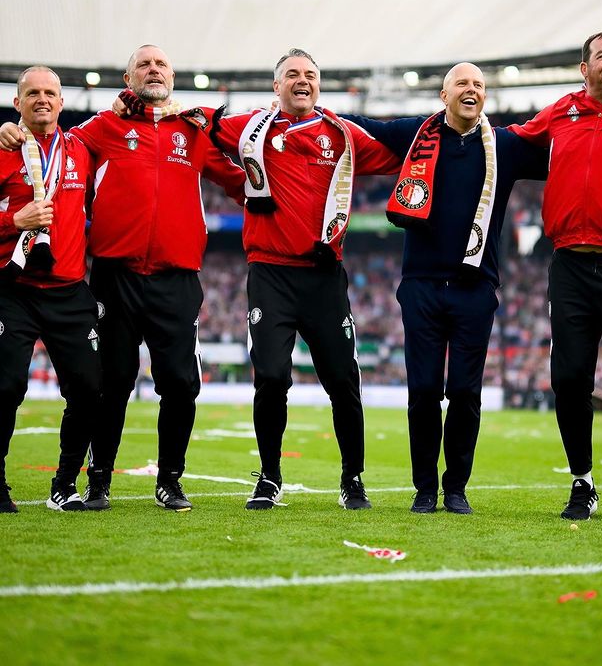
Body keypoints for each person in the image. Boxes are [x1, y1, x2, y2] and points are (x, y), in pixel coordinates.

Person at [118, 47, 400, 511]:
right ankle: (269, 477)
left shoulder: (342, 134)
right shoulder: (251, 129)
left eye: (310, 74)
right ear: (277, 86)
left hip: (324, 275)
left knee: (344, 381)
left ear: (319, 84)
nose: (302, 80)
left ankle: (353, 477)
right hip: (270, 274)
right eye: (292, 74)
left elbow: (394, 153)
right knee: (270, 377)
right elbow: (195, 119)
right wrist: (132, 103)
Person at [0, 46, 246, 513]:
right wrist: (11, 132)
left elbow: (240, 180)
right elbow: (49, 143)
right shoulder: (101, 128)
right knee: (110, 383)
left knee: (180, 384)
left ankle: (170, 480)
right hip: (115, 276)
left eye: (162, 65)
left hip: (178, 278)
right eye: (144, 65)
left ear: (173, 76)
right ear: (128, 78)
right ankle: (97, 482)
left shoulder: (194, 131)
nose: (154, 71)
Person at [342, 63, 547, 514]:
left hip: (476, 288)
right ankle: (425, 489)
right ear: (443, 95)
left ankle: (455, 488)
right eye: (463, 84)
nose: (471, 90)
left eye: (478, 85)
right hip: (421, 286)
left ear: (485, 98)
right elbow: (363, 126)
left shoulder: (506, 146)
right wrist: (309, 110)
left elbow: (563, 152)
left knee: (466, 394)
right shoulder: (418, 134)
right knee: (423, 390)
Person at [510, 31, 602, 523]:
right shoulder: (561, 111)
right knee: (568, 379)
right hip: (569, 265)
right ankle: (582, 482)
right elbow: (514, 141)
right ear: (583, 68)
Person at [0, 66, 99, 513]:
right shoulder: (2, 149)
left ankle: (64, 484)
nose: (42, 99)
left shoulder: (82, 148)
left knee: (87, 390)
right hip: (13, 288)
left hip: (69, 290)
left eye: (50, 93)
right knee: (5, 386)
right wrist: (12, 221)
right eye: (32, 93)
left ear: (62, 103)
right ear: (17, 103)